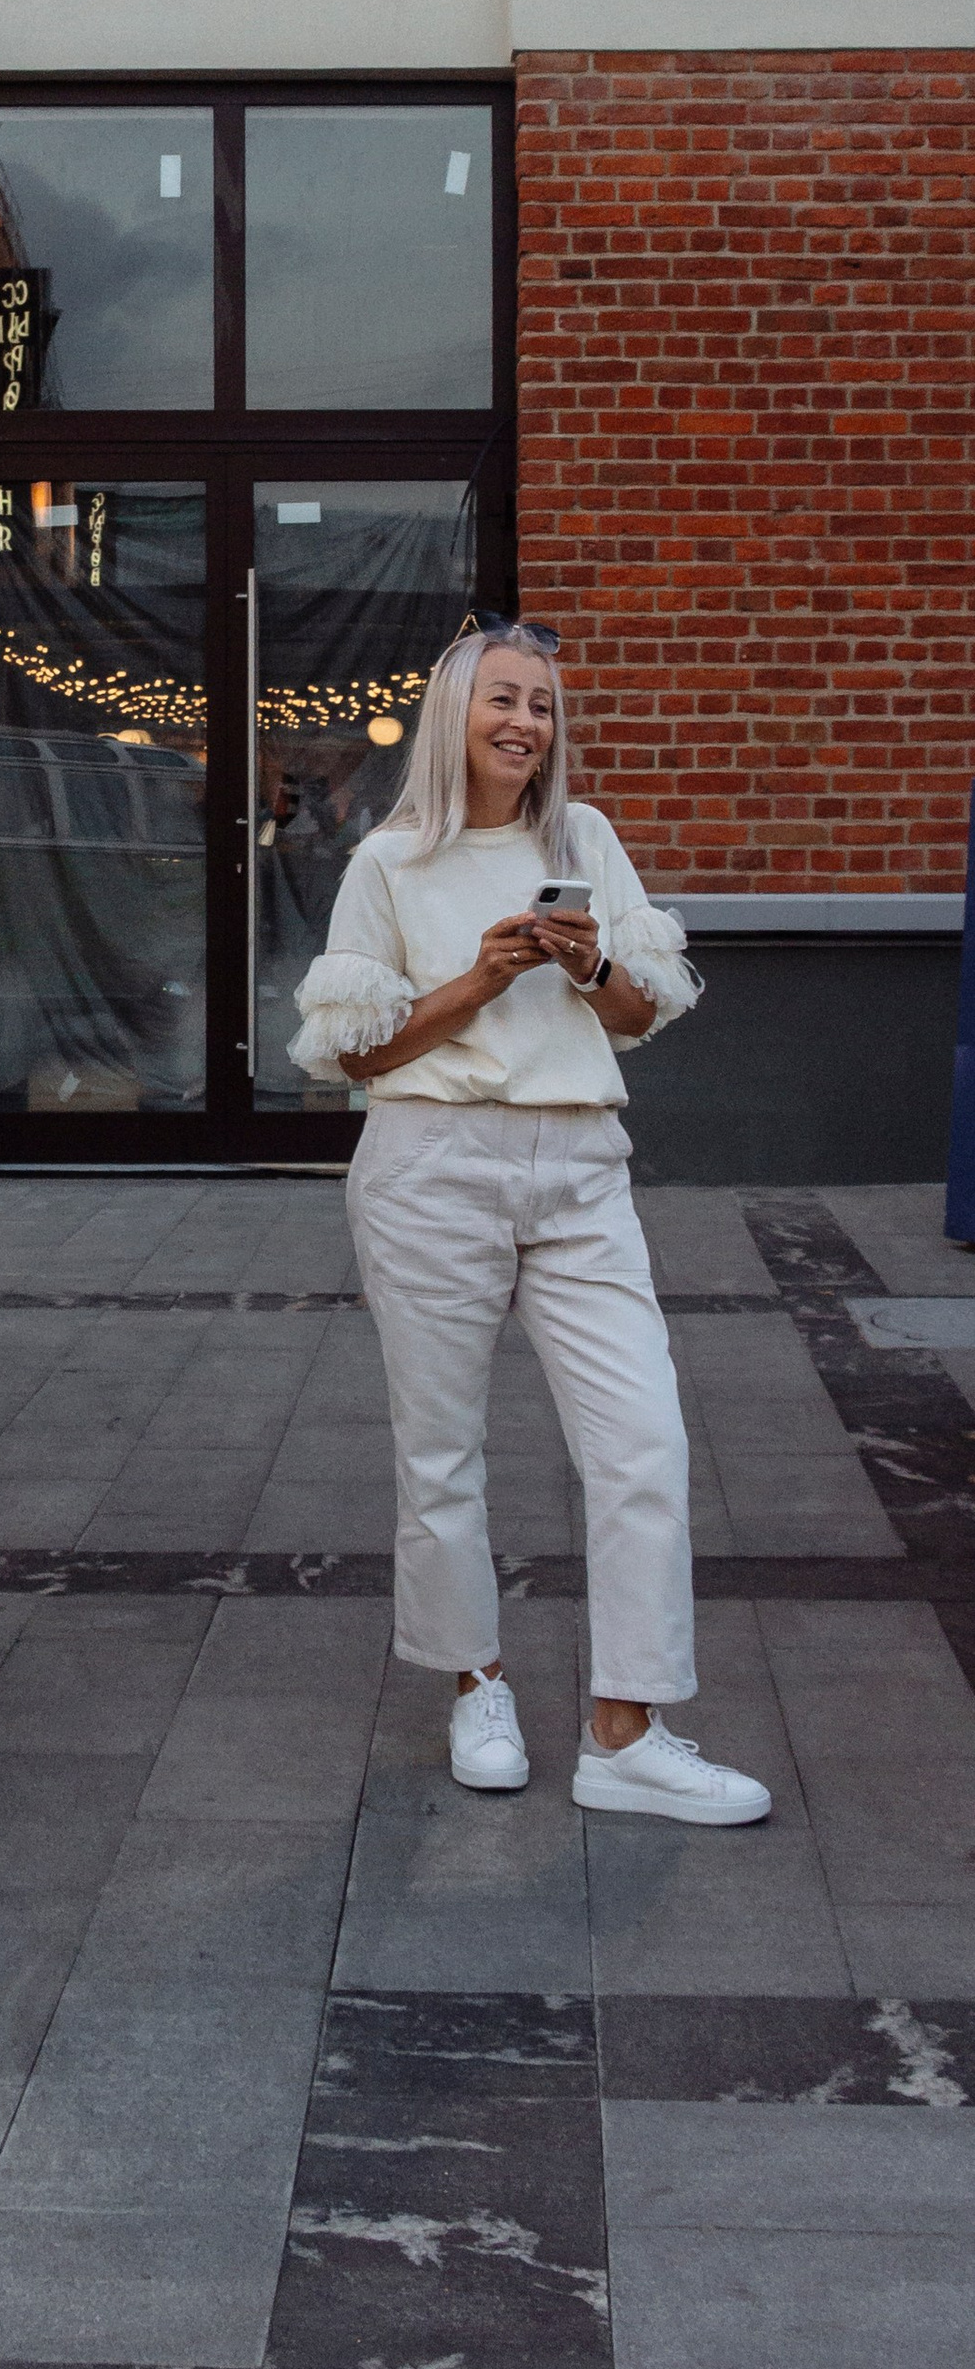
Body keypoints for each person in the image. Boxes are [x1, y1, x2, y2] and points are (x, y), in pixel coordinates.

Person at [289, 616, 770, 1824]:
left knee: (643, 1444)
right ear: (453, 716)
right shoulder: (387, 863)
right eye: (503, 699)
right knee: (440, 1451)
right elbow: (355, 1055)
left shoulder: (586, 841)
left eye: (543, 705)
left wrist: (587, 966)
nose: (525, 722)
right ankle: (476, 1683)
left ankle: (627, 1731)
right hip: (430, 1165)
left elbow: (634, 1017)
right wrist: (483, 977)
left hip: (578, 1165)